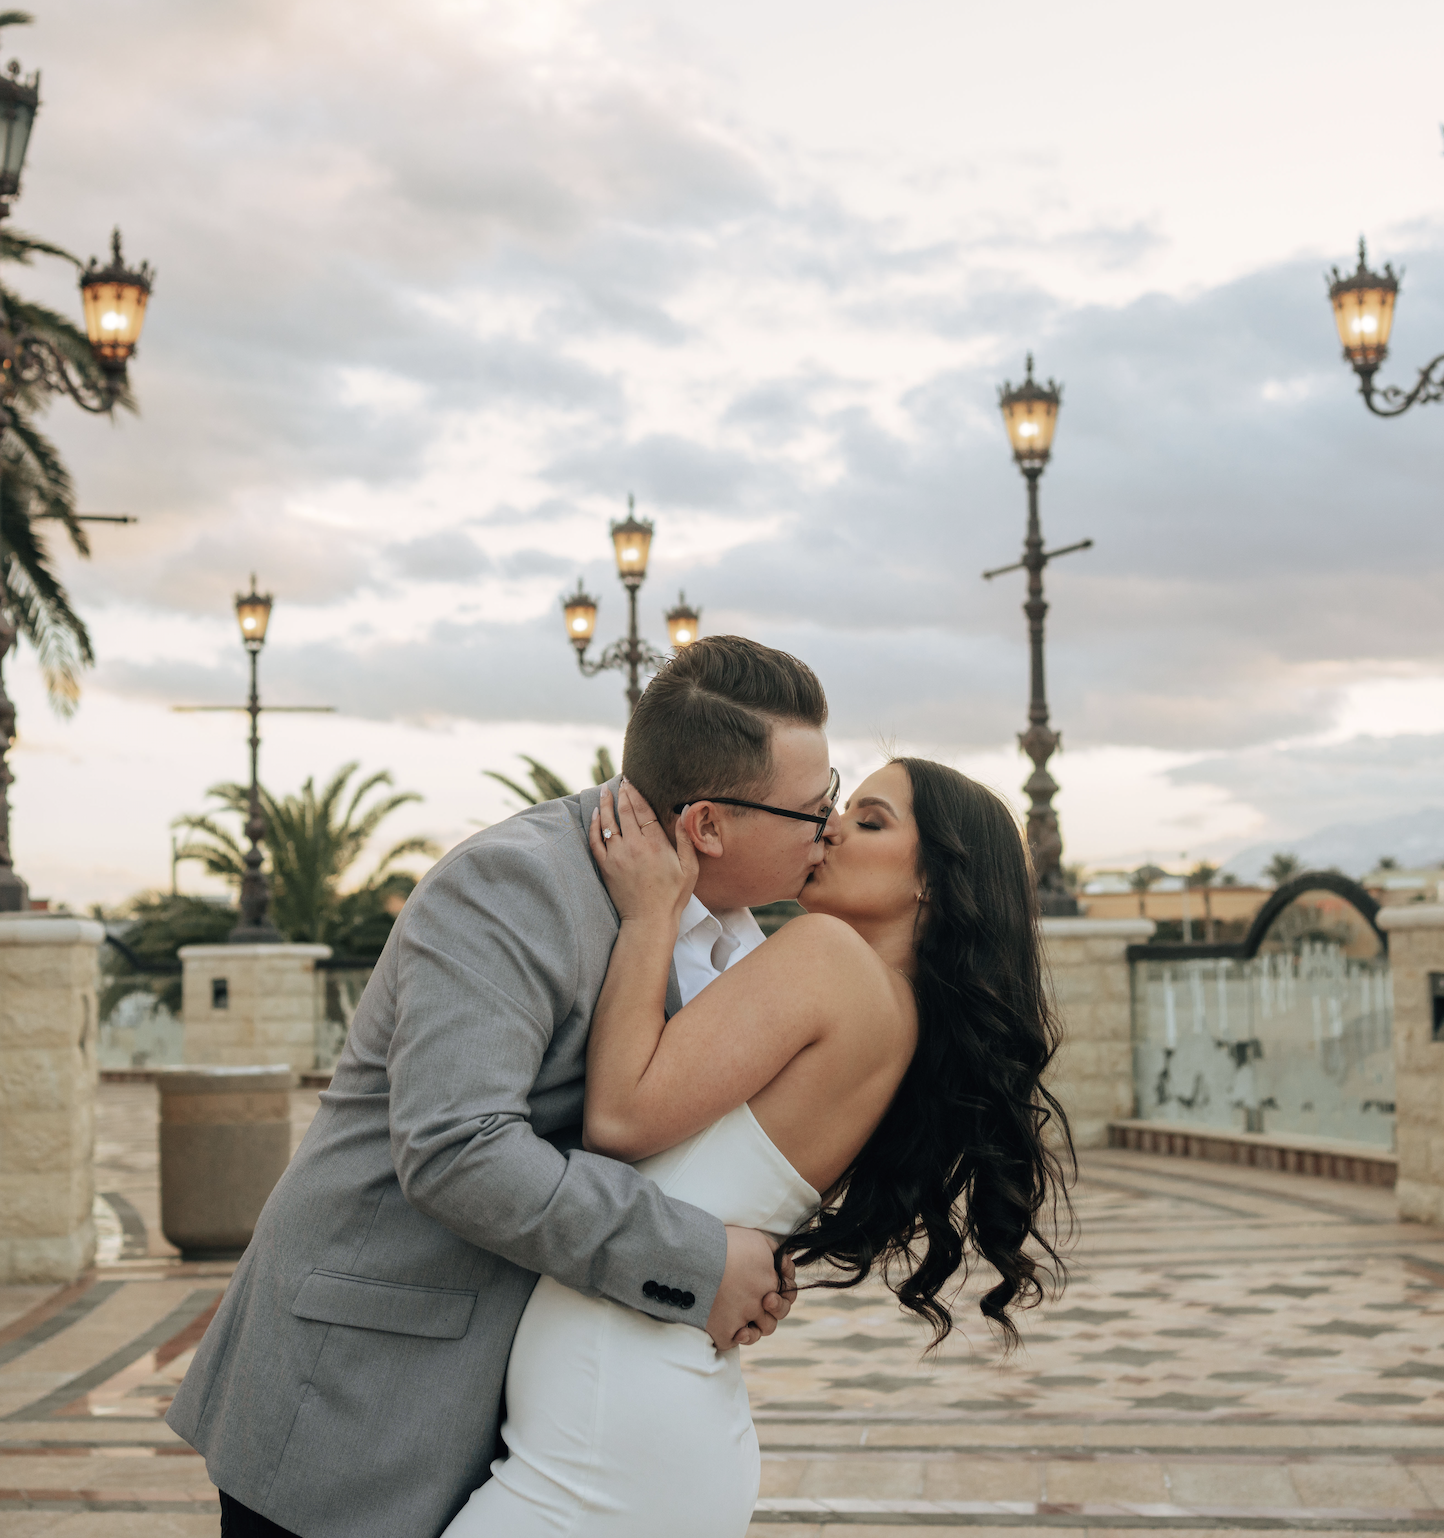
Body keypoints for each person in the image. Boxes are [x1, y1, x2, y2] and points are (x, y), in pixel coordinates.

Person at [168, 636, 839, 1538]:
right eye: (814, 809)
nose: (832, 827)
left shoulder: (724, 927)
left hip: (520, 1403)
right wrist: (699, 1260)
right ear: (708, 826)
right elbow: (456, 1149)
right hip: (361, 1395)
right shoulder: (513, 885)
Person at [443, 757, 1073, 1537]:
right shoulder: (899, 1018)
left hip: (611, 1439)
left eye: (871, 820)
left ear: (932, 883)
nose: (831, 827)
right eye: (841, 807)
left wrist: (649, 916)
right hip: (633, 1420)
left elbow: (620, 1117)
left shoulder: (829, 958)